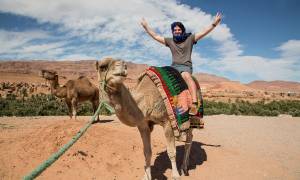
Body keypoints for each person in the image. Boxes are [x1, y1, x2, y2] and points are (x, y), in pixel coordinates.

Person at [141, 12, 222, 115]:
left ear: (182, 30)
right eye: (175, 30)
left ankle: (194, 104)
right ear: (173, 32)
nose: (177, 31)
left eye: (179, 30)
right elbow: (156, 36)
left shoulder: (190, 39)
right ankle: (167, 106)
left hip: (186, 66)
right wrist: (146, 27)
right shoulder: (170, 41)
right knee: (163, 80)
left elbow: (203, 33)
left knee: (186, 76)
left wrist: (214, 24)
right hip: (174, 67)